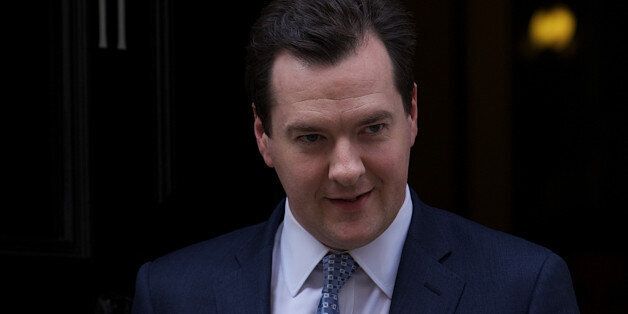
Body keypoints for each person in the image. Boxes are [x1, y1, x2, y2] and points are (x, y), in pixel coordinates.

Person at [132, 0, 580, 312]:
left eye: (372, 129)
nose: (347, 169)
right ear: (262, 136)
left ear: (412, 113)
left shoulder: (521, 291)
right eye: (311, 138)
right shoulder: (173, 294)